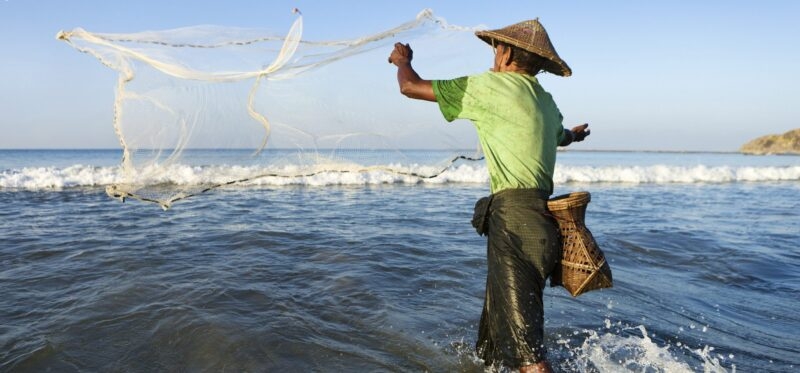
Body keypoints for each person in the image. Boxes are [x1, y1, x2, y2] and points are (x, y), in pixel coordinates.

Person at [388, 18, 589, 373]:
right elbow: (561, 137)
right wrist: (574, 135)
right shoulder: (546, 101)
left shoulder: (488, 88)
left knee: (530, 356)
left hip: (515, 227)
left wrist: (402, 60)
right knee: (498, 344)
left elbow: (411, 88)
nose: (494, 54)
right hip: (544, 227)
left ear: (507, 52)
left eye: (497, 48)